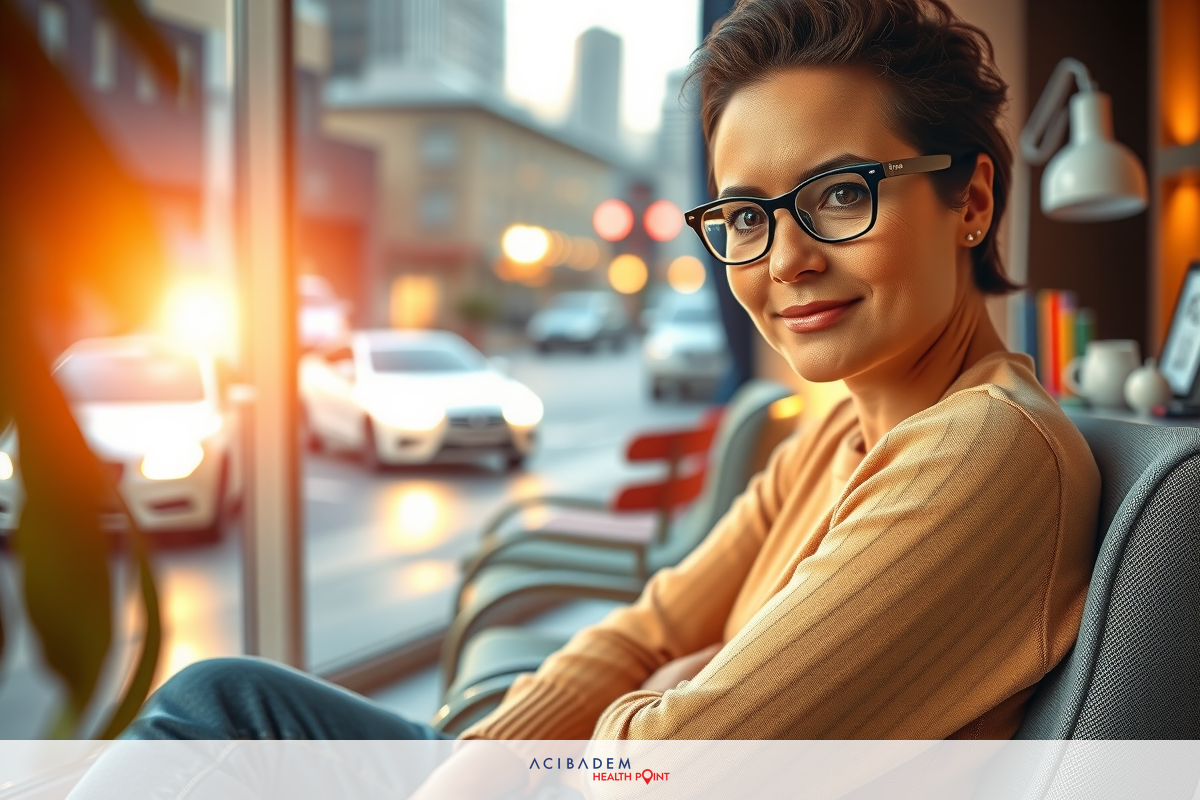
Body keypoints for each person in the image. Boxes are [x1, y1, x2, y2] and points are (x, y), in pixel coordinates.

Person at [72, 0, 1100, 796]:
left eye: (839, 193)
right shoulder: (838, 434)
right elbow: (650, 629)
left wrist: (657, 699)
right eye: (745, 213)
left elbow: (677, 764)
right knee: (230, 697)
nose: (783, 257)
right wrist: (477, 765)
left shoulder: (983, 453)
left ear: (968, 199)